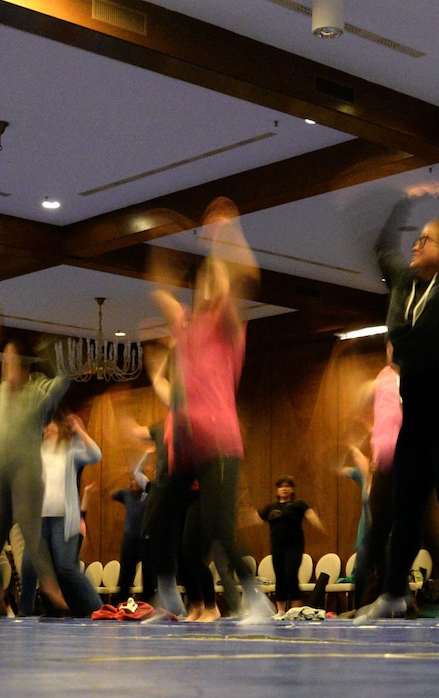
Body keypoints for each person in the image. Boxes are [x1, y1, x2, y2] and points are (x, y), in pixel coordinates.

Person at [359, 135, 439, 627]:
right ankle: (392, 594)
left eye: (428, 239)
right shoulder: (404, 281)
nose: (417, 245)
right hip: (417, 410)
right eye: (417, 240)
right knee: (406, 507)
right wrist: (403, 201)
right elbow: (380, 246)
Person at [140, 198, 275, 625]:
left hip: (219, 441)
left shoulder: (227, 325)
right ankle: (170, 601)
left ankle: (256, 598)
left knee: (219, 527)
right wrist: (159, 256)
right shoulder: (188, 326)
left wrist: (224, 237)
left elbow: (242, 275)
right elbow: (160, 291)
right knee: (159, 526)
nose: (204, 289)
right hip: (185, 446)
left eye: (209, 285)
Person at [0, 339, 73, 616]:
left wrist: (50, 358)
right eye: (4, 363)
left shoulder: (34, 393)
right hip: (3, 482)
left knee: (30, 531)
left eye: (12, 363)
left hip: (27, 475)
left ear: (23, 369)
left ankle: (51, 590)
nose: (6, 368)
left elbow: (60, 385)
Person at [20, 413, 103, 616]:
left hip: (63, 519)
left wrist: (80, 432)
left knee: (66, 569)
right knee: (29, 566)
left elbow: (96, 455)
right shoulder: (36, 455)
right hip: (39, 520)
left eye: (53, 429)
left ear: (61, 432)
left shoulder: (70, 453)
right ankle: (24, 613)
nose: (48, 431)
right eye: (46, 429)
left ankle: (98, 608)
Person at [351, 357, 403, 610]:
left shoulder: (408, 377)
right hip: (386, 462)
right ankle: (382, 599)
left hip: (406, 460)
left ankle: (396, 597)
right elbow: (367, 394)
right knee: (376, 539)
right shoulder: (384, 378)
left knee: (410, 532)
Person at [260, 475, 324, 612]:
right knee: (280, 577)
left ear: (292, 489)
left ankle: (295, 610)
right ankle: (281, 611)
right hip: (277, 547)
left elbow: (310, 515)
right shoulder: (271, 507)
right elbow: (256, 518)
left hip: (294, 546)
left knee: (291, 575)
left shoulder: (298, 504)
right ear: (277, 490)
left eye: (287, 486)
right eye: (281, 486)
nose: (284, 489)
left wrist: (318, 523)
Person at [112, 449, 151, 604]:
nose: (134, 483)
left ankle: (148, 604)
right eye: (132, 481)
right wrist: (121, 474)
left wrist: (145, 456)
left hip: (146, 541)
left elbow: (139, 473)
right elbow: (112, 493)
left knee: (149, 577)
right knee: (125, 576)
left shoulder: (149, 492)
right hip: (129, 541)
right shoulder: (126, 494)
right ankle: (119, 604)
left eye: (137, 481)